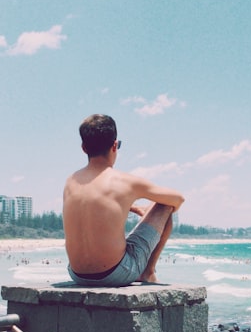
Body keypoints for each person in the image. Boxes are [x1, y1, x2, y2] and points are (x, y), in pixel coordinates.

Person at [63, 114, 184, 286]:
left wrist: (132, 207)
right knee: (165, 205)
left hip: (76, 274)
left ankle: (145, 271)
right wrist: (151, 213)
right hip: (115, 274)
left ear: (83, 148)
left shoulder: (71, 181)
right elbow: (178, 199)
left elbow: (95, 205)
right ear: (114, 146)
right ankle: (148, 273)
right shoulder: (124, 181)